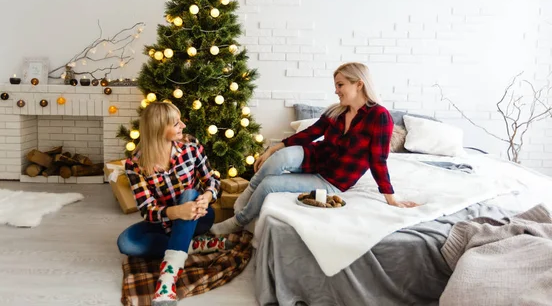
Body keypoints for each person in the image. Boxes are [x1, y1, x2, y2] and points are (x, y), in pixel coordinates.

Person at [211, 62, 420, 235]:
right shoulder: (336, 111)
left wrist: (391, 198)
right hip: (315, 157)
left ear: (358, 84)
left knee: (269, 186)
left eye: (340, 85)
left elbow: (378, 160)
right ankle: (246, 195)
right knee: (279, 158)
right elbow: (310, 133)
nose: (336, 91)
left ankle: (237, 222)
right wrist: (273, 149)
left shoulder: (379, 117)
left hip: (332, 179)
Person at [117, 102, 225, 305]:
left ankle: (167, 280)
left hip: (199, 218)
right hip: (164, 223)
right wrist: (177, 212)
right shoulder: (135, 164)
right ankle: (192, 245)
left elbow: (212, 179)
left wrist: (208, 195)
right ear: (159, 128)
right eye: (176, 124)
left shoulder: (190, 145)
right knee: (125, 243)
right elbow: (147, 211)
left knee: (190, 193)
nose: (183, 126)